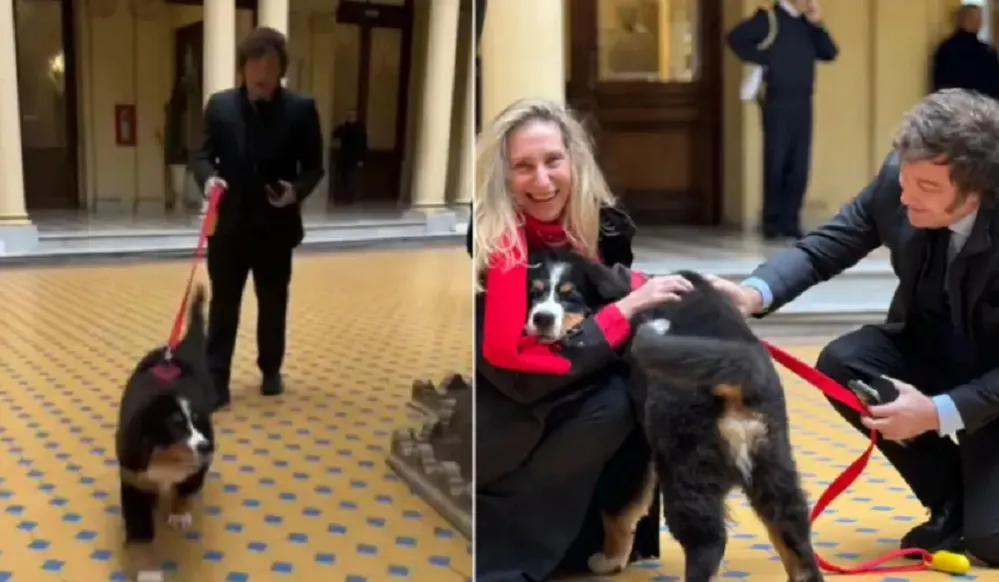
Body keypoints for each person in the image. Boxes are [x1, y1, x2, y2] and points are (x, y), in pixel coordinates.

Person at [708, 89, 999, 565]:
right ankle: (952, 502)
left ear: (978, 190)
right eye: (904, 179)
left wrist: (940, 411)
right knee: (848, 363)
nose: (905, 198)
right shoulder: (900, 181)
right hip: (934, 346)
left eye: (926, 187)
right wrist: (752, 293)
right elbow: (826, 245)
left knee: (993, 542)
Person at [472, 98, 691, 581]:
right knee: (612, 399)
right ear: (501, 177)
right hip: (514, 413)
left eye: (553, 161)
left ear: (575, 160)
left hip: (586, 405)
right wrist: (624, 310)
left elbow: (622, 306)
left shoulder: (605, 227)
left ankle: (611, 531)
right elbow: (515, 371)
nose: (542, 180)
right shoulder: (493, 245)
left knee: (639, 386)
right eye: (523, 167)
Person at [190, 27, 324, 408]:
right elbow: (200, 156)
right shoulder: (219, 106)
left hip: (276, 227)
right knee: (224, 305)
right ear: (243, 68)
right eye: (256, 65)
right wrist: (208, 178)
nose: (264, 75)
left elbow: (314, 168)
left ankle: (270, 370)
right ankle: (216, 379)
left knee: (273, 302)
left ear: (282, 69)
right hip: (229, 226)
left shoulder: (300, 108)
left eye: (272, 66)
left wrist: (294, 191)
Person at [727, 0, 838, 240]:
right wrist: (766, 59)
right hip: (777, 99)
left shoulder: (806, 24)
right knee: (776, 159)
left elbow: (829, 53)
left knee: (799, 163)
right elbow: (735, 39)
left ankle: (791, 220)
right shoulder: (768, 18)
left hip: (803, 100)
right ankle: (772, 220)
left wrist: (816, 22)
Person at [931, 4, 999, 99]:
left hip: (953, 108)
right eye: (975, 18)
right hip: (979, 109)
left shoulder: (945, 49)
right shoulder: (986, 53)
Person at [331, 109, 367, 205]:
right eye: (349, 116)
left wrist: (361, 159)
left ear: (355, 117)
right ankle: (340, 197)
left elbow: (363, 145)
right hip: (343, 158)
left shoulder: (360, 129)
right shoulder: (344, 128)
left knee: (351, 179)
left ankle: (349, 198)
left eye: (352, 116)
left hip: (354, 159)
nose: (350, 117)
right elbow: (335, 135)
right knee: (341, 178)